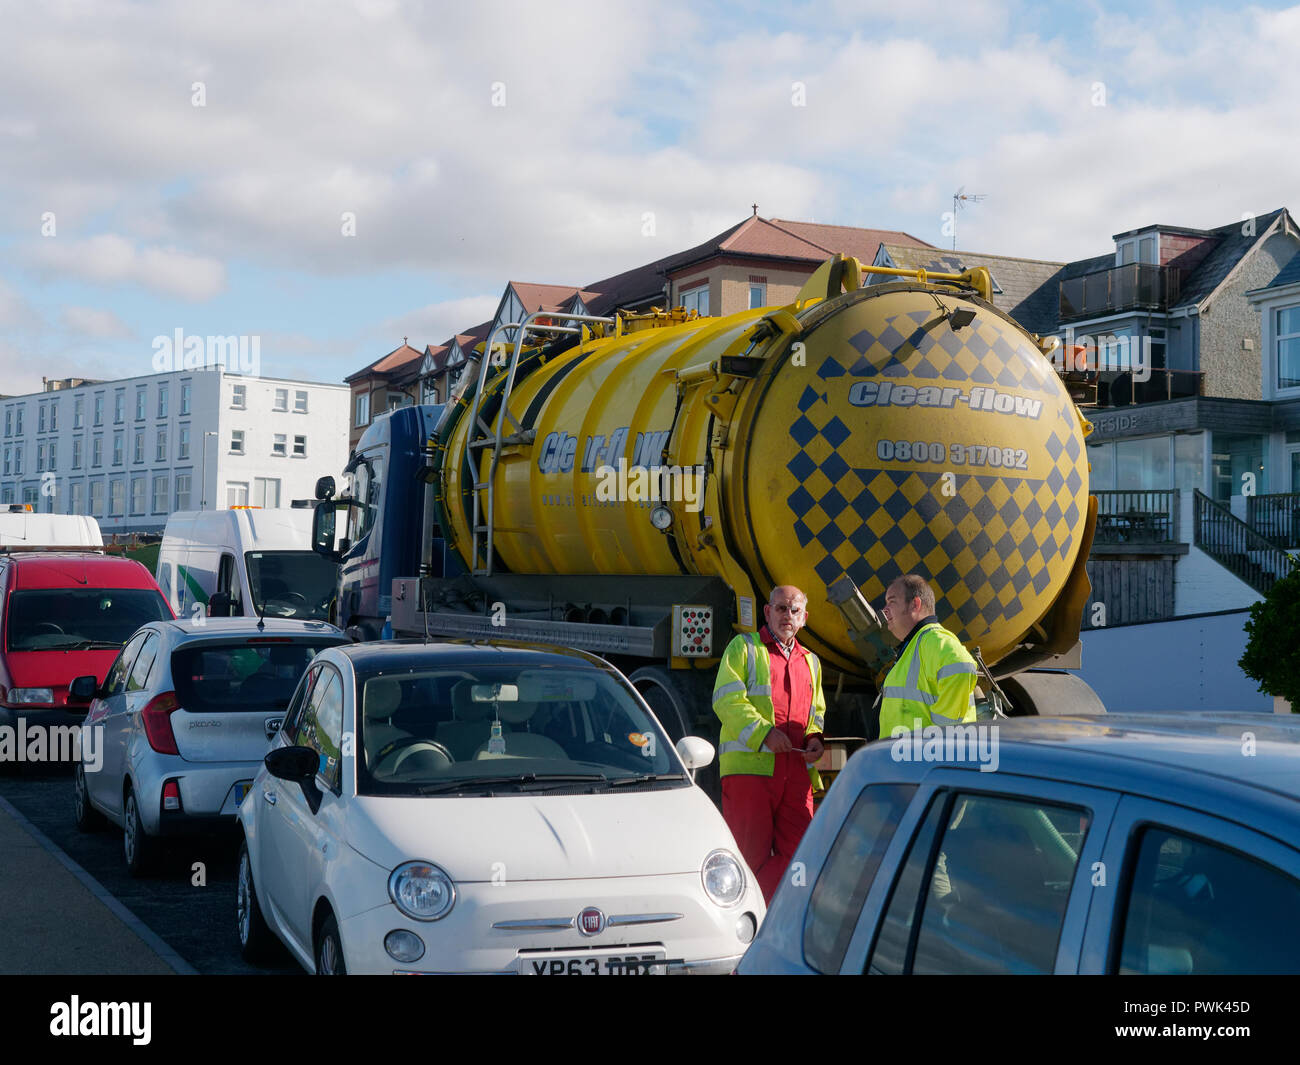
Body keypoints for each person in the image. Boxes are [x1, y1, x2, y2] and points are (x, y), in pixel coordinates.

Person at [712, 585, 826, 903]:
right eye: (780, 608)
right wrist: (763, 734)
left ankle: (777, 916)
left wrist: (815, 738)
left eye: (794, 611)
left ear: (804, 618)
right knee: (750, 857)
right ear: (767, 612)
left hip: (796, 773)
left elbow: (816, 711)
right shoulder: (744, 648)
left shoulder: (811, 662)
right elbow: (727, 699)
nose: (786, 616)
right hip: (750, 772)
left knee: (803, 856)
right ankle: (752, 922)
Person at [878, 573, 978, 734]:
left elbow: (962, 666)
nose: (885, 610)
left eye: (892, 602)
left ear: (915, 604)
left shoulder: (933, 639)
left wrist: (941, 736)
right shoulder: (916, 644)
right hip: (907, 755)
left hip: (927, 756)